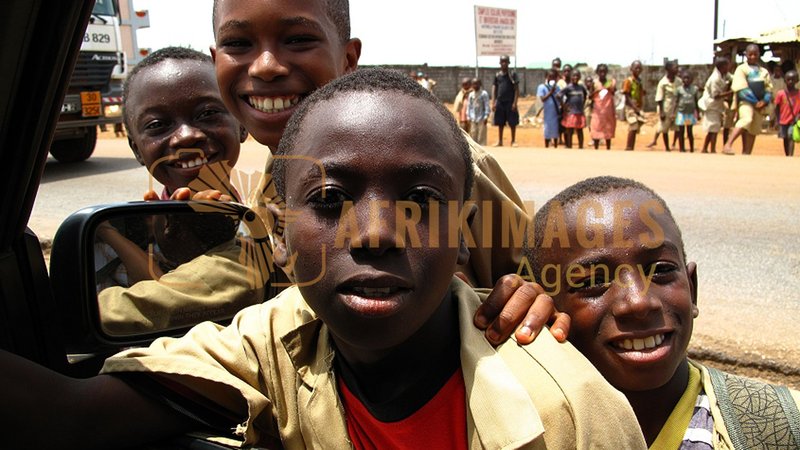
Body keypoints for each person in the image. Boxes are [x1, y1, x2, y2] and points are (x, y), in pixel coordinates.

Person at [0, 70, 647, 450]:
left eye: (421, 199)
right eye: (331, 198)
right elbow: (70, 416)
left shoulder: (570, 403)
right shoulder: (270, 343)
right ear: (278, 236)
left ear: (465, 233)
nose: (374, 233)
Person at [528, 175, 800, 448]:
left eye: (661, 270)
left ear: (692, 287)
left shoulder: (780, 423)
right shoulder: (522, 429)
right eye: (592, 282)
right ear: (545, 307)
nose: (639, 302)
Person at [723, 44, 773, 155]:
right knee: (747, 119)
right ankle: (728, 144)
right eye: (750, 54)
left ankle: (747, 153)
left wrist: (764, 101)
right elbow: (741, 88)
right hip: (746, 102)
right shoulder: (741, 69)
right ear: (746, 55)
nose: (753, 57)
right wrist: (755, 102)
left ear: (759, 54)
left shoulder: (763, 71)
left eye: (755, 54)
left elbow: (769, 88)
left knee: (753, 129)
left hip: (761, 104)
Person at [701, 57, 734, 153]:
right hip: (711, 105)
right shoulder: (715, 78)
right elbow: (716, 95)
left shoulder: (723, 75)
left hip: (716, 106)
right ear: (722, 67)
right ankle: (712, 149)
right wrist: (730, 93)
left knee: (712, 128)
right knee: (714, 128)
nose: (729, 67)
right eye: (727, 66)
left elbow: (732, 77)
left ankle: (704, 148)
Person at [648, 59, 680, 151]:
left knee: (678, 128)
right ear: (669, 69)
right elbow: (659, 98)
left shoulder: (678, 81)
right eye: (675, 67)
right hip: (666, 108)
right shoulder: (663, 83)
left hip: (676, 108)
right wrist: (661, 112)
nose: (677, 69)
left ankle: (674, 144)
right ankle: (667, 147)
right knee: (664, 128)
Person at [491, 54, 520, 147]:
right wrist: (493, 102)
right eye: (502, 61)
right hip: (500, 102)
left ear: (508, 63)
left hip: (510, 101)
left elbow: (516, 89)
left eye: (506, 62)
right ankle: (500, 141)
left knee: (512, 122)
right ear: (500, 63)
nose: (504, 63)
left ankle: (513, 141)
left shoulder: (512, 75)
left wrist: (515, 102)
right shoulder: (497, 75)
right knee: (500, 122)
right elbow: (494, 88)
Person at [773, 69, 799, 157]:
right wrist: (777, 120)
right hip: (783, 120)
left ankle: (790, 155)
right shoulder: (781, 93)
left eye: (793, 79)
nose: (790, 81)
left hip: (794, 120)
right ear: (785, 80)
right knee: (785, 138)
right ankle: (787, 154)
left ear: (797, 81)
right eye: (788, 79)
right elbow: (776, 108)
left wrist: (798, 116)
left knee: (791, 136)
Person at [590, 63, 616, 150]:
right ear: (597, 72)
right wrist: (597, 91)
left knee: (608, 129)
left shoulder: (610, 82)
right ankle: (596, 148)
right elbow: (590, 96)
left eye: (604, 71)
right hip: (597, 110)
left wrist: (610, 88)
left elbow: (613, 93)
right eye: (600, 71)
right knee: (596, 127)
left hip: (608, 109)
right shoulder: (594, 83)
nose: (602, 73)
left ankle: (608, 148)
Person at [560, 70, 588, 149]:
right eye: (573, 76)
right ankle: (569, 146)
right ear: (571, 77)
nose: (575, 77)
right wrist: (564, 106)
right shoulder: (568, 87)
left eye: (577, 76)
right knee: (570, 130)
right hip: (571, 112)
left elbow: (585, 95)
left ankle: (581, 146)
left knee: (580, 130)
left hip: (579, 111)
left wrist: (583, 104)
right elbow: (559, 96)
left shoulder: (581, 87)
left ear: (579, 77)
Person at [622, 60, 645, 150]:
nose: (638, 70)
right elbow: (627, 96)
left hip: (637, 107)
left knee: (636, 127)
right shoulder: (628, 81)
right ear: (631, 69)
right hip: (630, 107)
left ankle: (631, 146)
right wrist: (634, 107)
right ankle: (628, 146)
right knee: (633, 124)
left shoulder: (639, 81)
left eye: (639, 68)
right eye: (636, 68)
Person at [675, 69, 700, 152]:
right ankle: (681, 148)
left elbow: (696, 101)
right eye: (684, 78)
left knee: (689, 131)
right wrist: (673, 112)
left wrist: (698, 113)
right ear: (682, 79)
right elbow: (676, 101)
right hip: (681, 113)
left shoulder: (694, 89)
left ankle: (691, 148)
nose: (686, 80)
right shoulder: (679, 89)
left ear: (691, 79)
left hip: (689, 114)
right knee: (681, 131)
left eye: (688, 78)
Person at [537, 69, 561, 148]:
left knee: (555, 130)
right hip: (547, 113)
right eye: (550, 77)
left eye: (553, 77)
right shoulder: (542, 87)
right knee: (547, 129)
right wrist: (551, 92)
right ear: (546, 77)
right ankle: (547, 146)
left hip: (555, 112)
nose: (551, 79)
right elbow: (542, 99)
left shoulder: (557, 87)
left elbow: (560, 98)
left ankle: (556, 146)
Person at [467, 78, 490, 146]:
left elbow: (486, 105)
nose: (475, 85)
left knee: (481, 136)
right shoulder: (471, 94)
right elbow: (469, 106)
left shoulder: (484, 94)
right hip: (473, 117)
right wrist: (468, 116)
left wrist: (486, 116)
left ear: (480, 84)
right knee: (473, 134)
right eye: (473, 84)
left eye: (477, 84)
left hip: (482, 118)